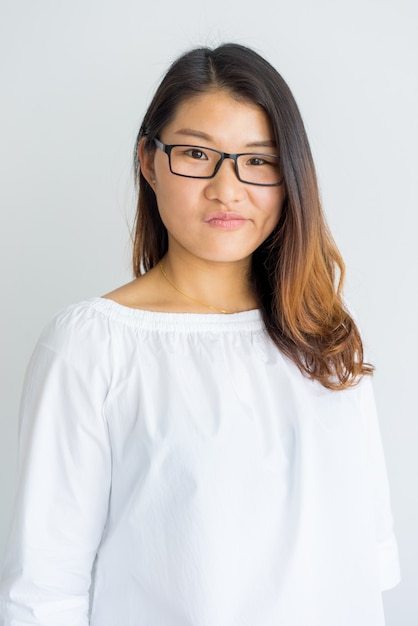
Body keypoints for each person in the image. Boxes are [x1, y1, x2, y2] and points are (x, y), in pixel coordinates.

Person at [0, 43, 400, 626]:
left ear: (291, 177)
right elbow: (44, 593)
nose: (227, 188)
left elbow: (366, 563)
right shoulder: (92, 347)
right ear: (148, 159)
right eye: (195, 153)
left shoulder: (322, 336)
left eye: (258, 161)